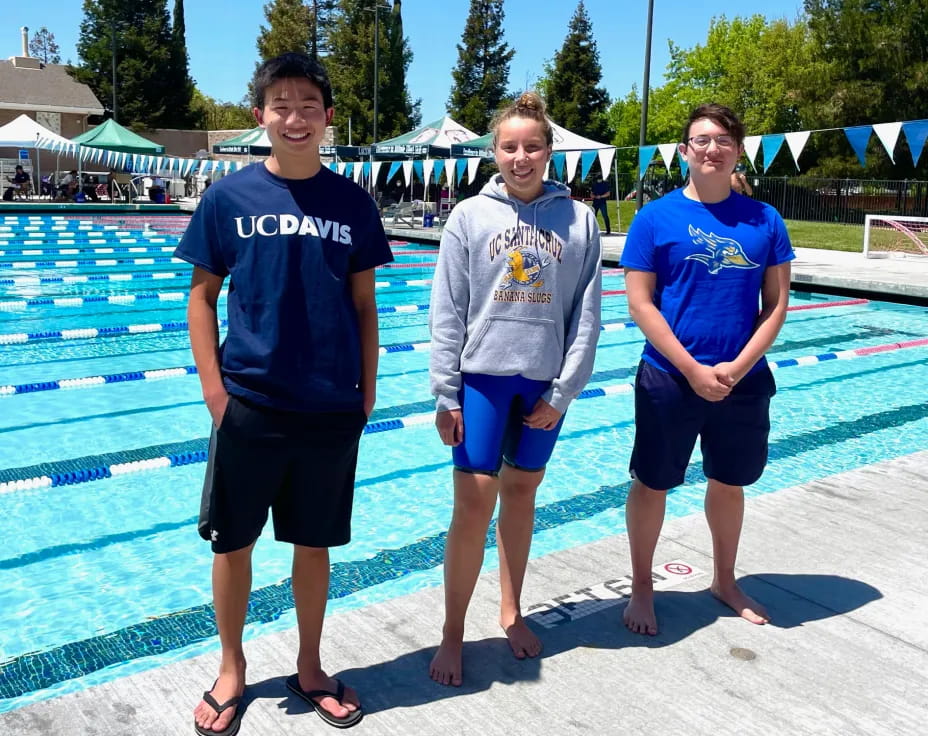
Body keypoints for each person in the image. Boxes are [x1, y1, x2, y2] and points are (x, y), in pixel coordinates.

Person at [176, 52, 393, 735]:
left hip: (330, 407)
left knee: (313, 545)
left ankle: (309, 665)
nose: (294, 117)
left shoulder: (352, 202)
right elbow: (202, 298)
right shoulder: (228, 197)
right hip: (251, 405)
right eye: (281, 105)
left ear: (327, 119)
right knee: (232, 545)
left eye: (308, 106)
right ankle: (232, 668)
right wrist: (216, 395)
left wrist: (366, 392)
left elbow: (365, 305)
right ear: (260, 116)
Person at [428, 92, 602, 687]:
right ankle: (453, 632)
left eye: (532, 146)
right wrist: (445, 393)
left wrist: (565, 391)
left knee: (522, 498)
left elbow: (586, 315)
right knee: (473, 505)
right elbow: (447, 311)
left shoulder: (579, 220)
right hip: (481, 382)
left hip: (541, 386)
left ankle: (511, 611)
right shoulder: (469, 217)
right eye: (509, 147)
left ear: (549, 151)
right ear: (494, 153)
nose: (520, 157)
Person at [619, 103, 793, 636]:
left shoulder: (765, 220)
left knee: (729, 480)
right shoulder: (654, 218)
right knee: (652, 483)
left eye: (722, 140)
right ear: (684, 151)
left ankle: (723, 579)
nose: (712, 148)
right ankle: (642, 586)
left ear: (738, 150)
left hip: (742, 379)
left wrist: (738, 368)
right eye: (701, 140)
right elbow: (640, 304)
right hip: (670, 377)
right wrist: (693, 369)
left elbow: (777, 305)